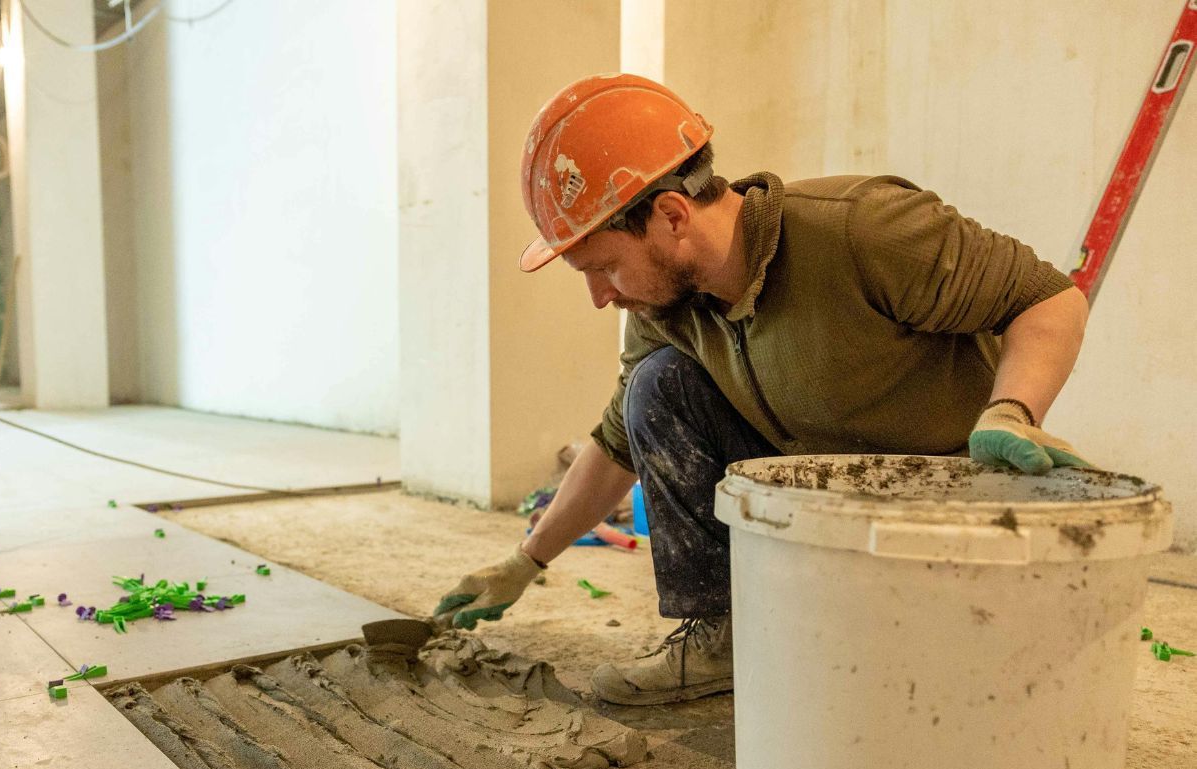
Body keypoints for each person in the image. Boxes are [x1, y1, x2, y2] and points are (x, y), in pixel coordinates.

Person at [434, 73, 1092, 706]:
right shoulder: (665, 308)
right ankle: (722, 634)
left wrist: (1012, 410)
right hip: (816, 496)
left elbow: (1049, 300)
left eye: (604, 266)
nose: (600, 296)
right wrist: (526, 561)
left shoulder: (861, 229)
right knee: (655, 389)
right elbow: (615, 444)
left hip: (937, 497)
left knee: (929, 680)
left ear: (669, 215)